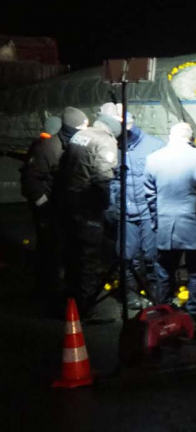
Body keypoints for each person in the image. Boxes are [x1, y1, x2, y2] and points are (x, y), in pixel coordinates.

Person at [144, 122, 196, 328]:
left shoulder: (153, 159)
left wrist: (156, 221)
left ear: (170, 136)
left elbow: (150, 196)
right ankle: (195, 314)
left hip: (165, 225)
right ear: (190, 139)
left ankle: (163, 310)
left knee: (164, 271)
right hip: (194, 226)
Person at [60, 113, 120, 318]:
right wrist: (105, 207)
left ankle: (69, 303)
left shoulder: (80, 135)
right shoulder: (106, 140)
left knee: (72, 255)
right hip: (87, 206)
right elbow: (103, 177)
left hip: (68, 203)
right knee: (89, 259)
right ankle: (86, 309)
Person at [109, 111, 167, 310]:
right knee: (127, 256)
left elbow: (163, 179)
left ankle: (155, 294)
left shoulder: (154, 146)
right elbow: (113, 179)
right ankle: (130, 293)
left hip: (149, 213)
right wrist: (115, 204)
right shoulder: (114, 146)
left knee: (152, 256)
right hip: (126, 213)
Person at [19, 115, 64, 307]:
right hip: (46, 207)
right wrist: (44, 204)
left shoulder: (40, 144)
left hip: (45, 206)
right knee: (49, 246)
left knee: (48, 246)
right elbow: (31, 179)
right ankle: (48, 289)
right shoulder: (45, 147)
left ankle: (46, 284)